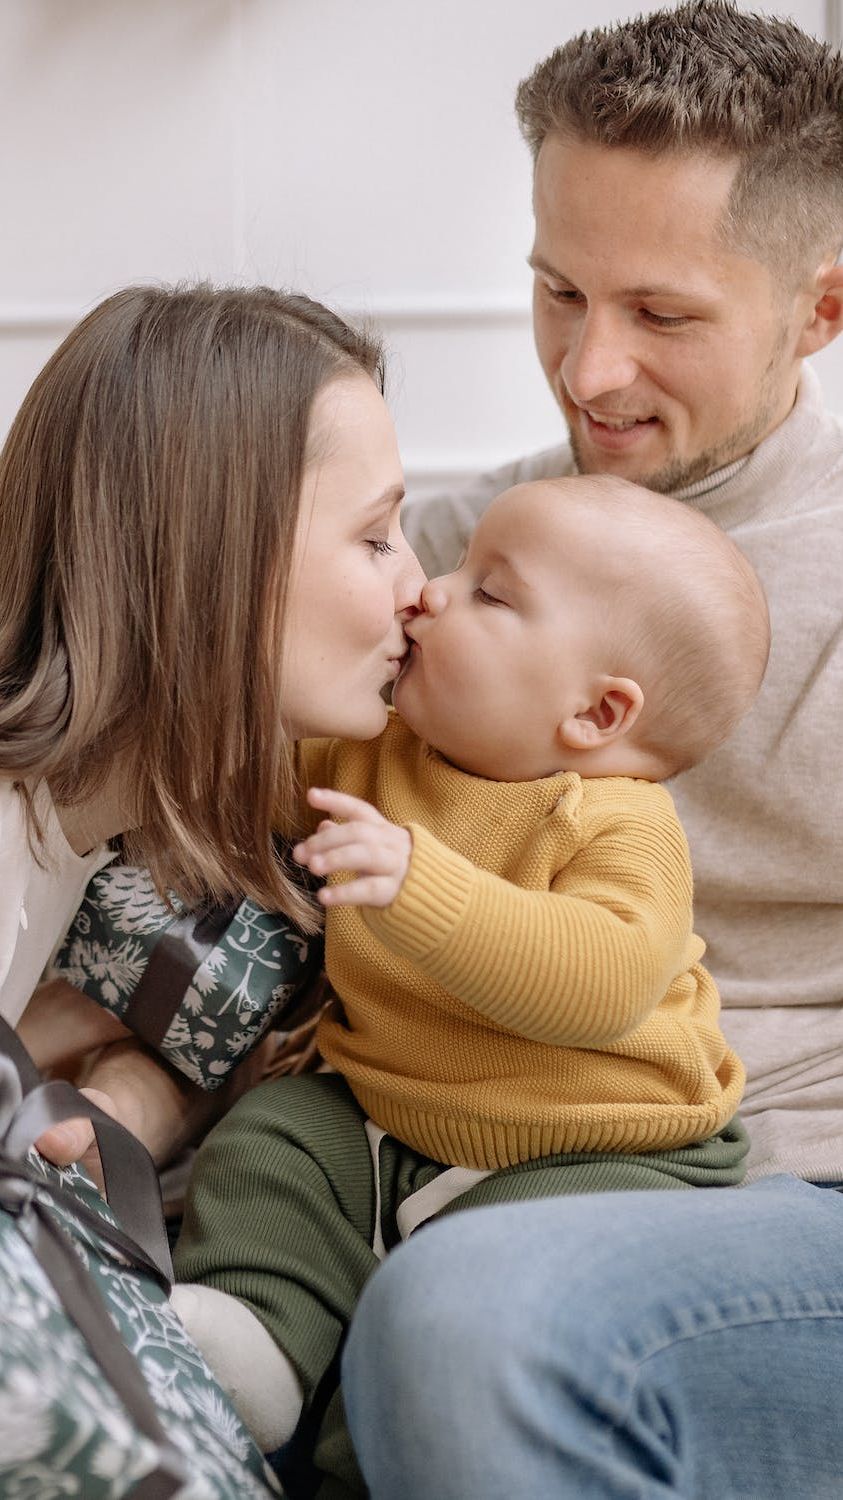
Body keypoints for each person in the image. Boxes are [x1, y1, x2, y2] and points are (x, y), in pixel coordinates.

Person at [336, 4, 843, 1498]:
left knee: (469, 1320)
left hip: (772, 1176)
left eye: (662, 314)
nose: (589, 369)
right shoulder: (438, 553)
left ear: (819, 308)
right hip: (444, 1151)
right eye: (557, 291)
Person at [171, 473, 768, 1488]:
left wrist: (419, 885)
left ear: (597, 710)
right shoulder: (371, 753)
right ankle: (250, 1339)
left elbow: (604, 981)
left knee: (486, 1292)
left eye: (489, 593)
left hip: (598, 1149)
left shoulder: (614, 820)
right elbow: (222, 764)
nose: (430, 593)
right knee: (272, 1144)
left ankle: (379, 1448)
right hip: (391, 1116)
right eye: (454, 567)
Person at [1, 282, 422, 1154]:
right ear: (218, 559)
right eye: (375, 537)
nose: (417, 590)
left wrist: (129, 1095)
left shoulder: (141, 810)